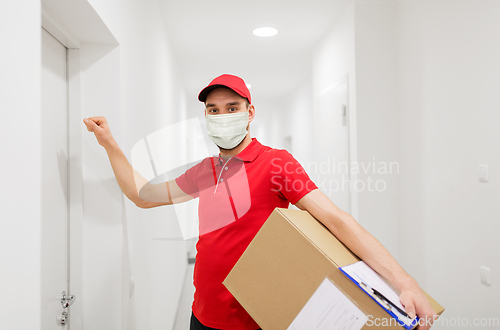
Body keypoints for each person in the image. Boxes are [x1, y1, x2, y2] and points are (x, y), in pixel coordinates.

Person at [83, 74, 438, 330]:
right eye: (213, 110)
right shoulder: (204, 170)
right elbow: (143, 197)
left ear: (250, 113)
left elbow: (336, 220)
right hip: (202, 316)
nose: (222, 117)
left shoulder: (276, 163)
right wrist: (110, 144)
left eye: (232, 107)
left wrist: (404, 283)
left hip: (256, 319)